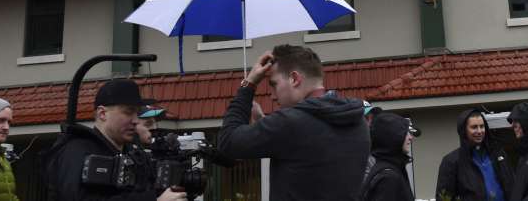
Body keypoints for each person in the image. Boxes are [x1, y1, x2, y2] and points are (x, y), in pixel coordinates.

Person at [216, 44, 369, 201]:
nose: (272, 96)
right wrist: (264, 122)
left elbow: (228, 142)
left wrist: (248, 84)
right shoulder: (358, 121)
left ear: (294, 79)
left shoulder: (289, 123)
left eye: (274, 84)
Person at [45, 79, 185, 201]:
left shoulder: (135, 156)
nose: (136, 120)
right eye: (128, 112)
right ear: (102, 113)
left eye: (137, 113)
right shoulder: (77, 150)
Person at [435, 108, 512, 201]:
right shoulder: (451, 162)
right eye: (474, 127)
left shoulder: (498, 155)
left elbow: (512, 186)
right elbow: (443, 198)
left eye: (482, 126)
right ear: (464, 130)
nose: (479, 131)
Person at [361, 112, 415, 201]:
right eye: (405, 133)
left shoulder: (388, 169)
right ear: (392, 137)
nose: (410, 137)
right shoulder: (388, 177)